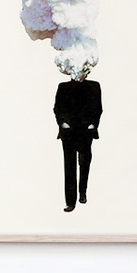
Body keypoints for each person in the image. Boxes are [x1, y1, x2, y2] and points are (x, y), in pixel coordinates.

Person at [53, 77, 103, 212]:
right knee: (69, 165)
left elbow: (98, 108)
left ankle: (82, 192)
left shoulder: (94, 86)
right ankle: (70, 201)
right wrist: (62, 123)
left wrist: (93, 124)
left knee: (84, 161)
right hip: (68, 131)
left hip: (86, 130)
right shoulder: (63, 86)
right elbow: (57, 108)